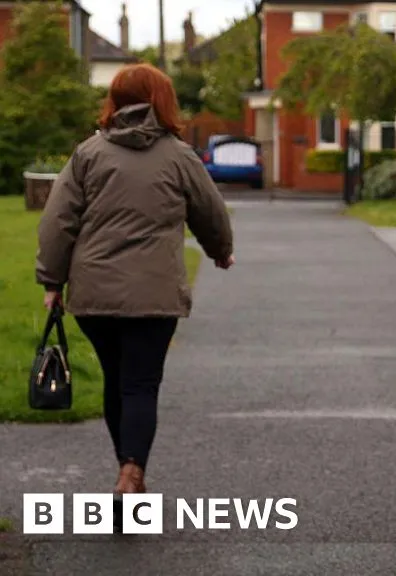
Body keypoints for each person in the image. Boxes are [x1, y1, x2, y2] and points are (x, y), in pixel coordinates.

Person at [35, 63, 234, 526]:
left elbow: (57, 222)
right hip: (154, 294)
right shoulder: (179, 156)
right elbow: (211, 212)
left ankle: (127, 469)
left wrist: (52, 281)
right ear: (163, 101)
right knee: (141, 383)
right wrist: (220, 251)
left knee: (115, 379)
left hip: (95, 293)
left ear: (115, 102)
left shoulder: (87, 154)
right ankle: (132, 471)